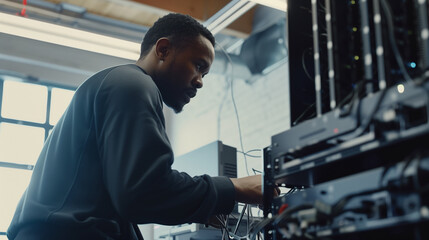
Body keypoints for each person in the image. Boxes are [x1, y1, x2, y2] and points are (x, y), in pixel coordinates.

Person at [7, 13, 263, 240]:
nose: (200, 82)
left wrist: (197, 208)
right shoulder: (133, 85)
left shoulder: (119, 84)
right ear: (162, 50)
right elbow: (143, 192)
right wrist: (235, 187)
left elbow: (127, 200)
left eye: (205, 74)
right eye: (198, 66)